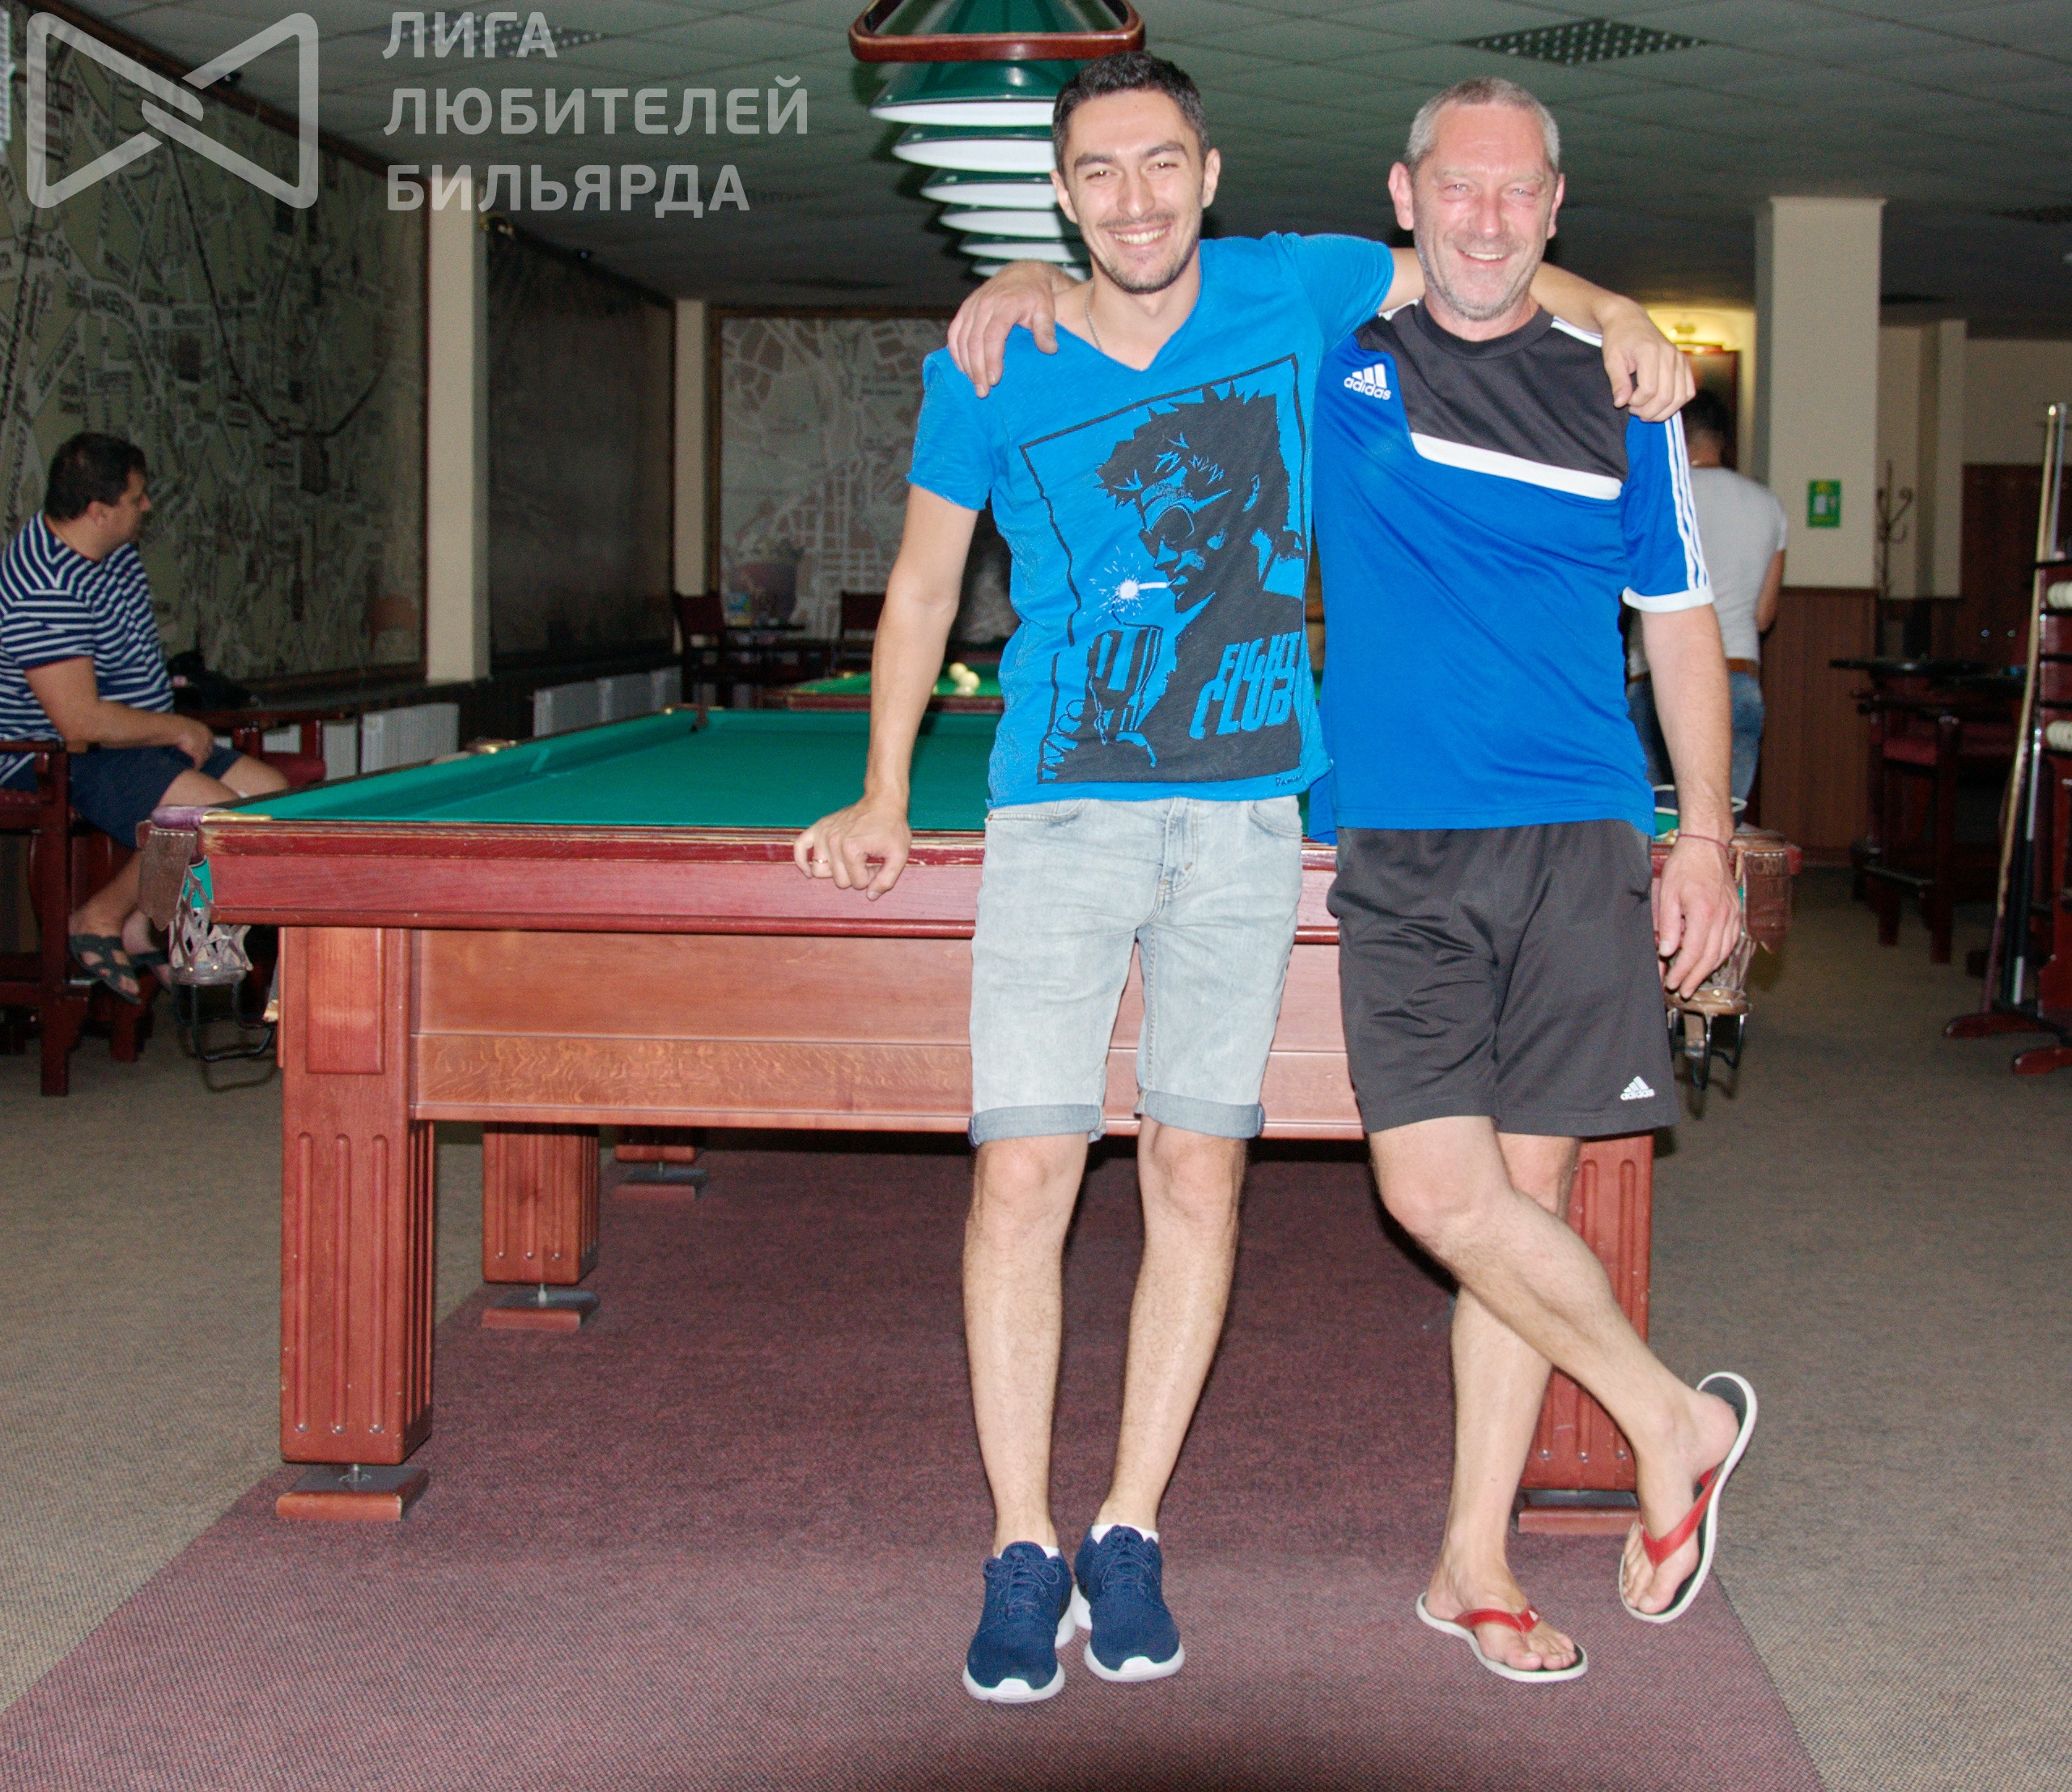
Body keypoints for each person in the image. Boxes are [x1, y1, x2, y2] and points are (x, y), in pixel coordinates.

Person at [796, 52, 1695, 1705]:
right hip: (1058, 810)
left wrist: (1625, 308)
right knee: (1022, 1176)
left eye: (1161, 165)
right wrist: (879, 787)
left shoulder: (1292, 287)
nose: (1132, 198)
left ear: (1208, 177)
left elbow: (1480, 257)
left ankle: (1130, 1524)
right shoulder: (994, 354)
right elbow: (923, 586)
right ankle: (1020, 1543)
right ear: (1060, 194)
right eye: (1096, 174)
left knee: (1196, 1178)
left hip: (1242, 819)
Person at [1310, 76, 1756, 1684]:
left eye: (1519, 193)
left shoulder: (1626, 396)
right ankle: (1670, 1419)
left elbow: (1682, 630)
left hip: (1578, 833)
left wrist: (1703, 836)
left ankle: (1472, 1562)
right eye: (1458, 185)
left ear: (1555, 207)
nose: (1487, 219)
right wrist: (1029, 274)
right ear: (1404, 194)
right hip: (1402, 842)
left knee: (1524, 1205)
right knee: (1438, 1197)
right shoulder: (1333, 355)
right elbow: (1155, 283)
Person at [0, 434, 286, 1001]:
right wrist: (178, 729)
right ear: (98, 511)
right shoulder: (42, 584)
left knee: (276, 804)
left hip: (128, 738)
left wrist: (166, 731)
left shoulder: (114, 552)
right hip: (51, 752)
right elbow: (78, 722)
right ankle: (99, 916)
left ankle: (141, 921)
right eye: (137, 498)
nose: (147, 506)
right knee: (214, 816)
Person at [1627, 389, 1787, 802]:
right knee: (1721, 824)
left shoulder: (1655, 496)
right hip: (1738, 675)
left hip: (1658, 679)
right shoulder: (1768, 505)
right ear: (1724, 439)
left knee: (1655, 821)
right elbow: (1764, 616)